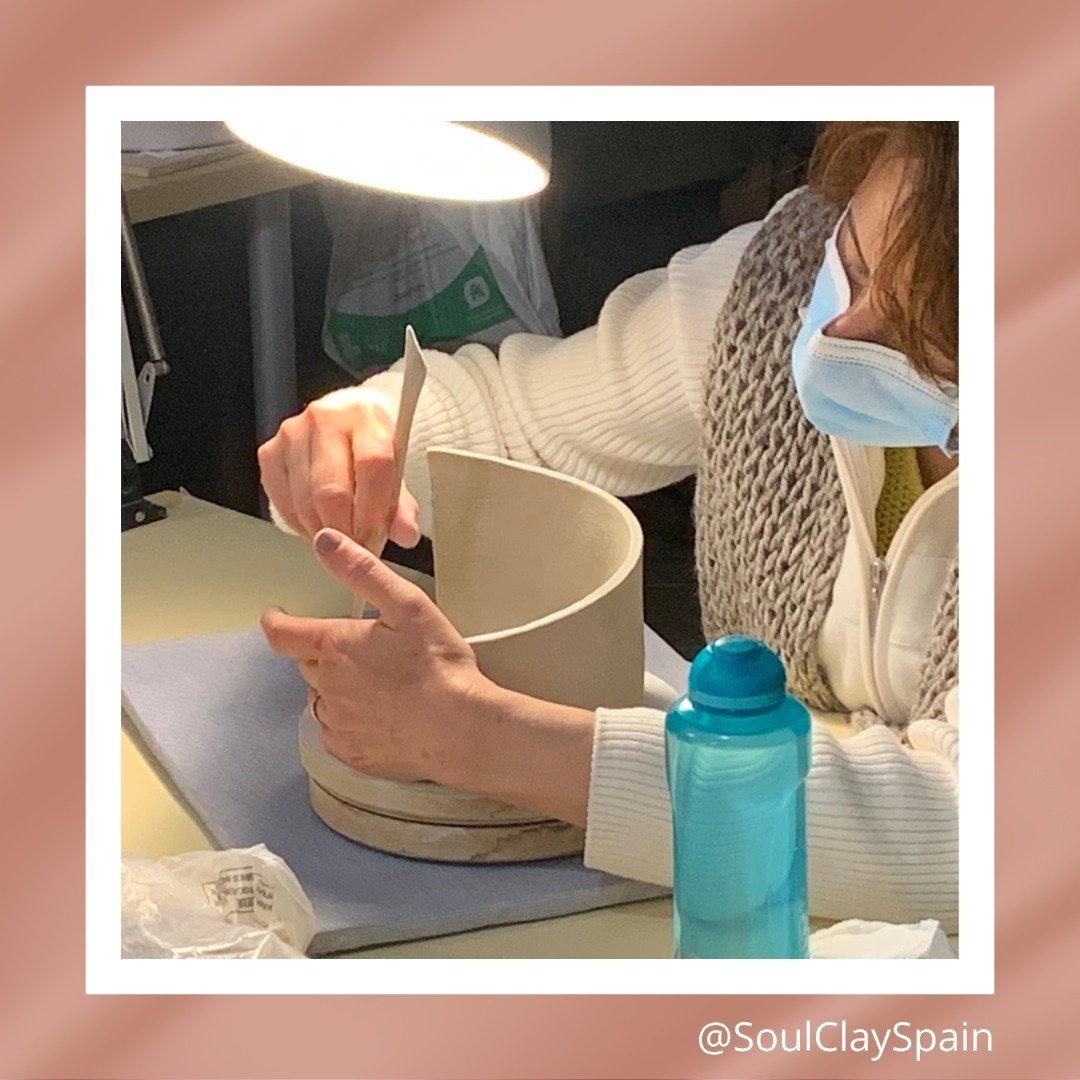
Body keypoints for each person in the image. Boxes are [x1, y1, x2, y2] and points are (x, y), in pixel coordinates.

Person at [259, 122, 961, 932]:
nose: (842, 330)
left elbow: (969, 836)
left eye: (924, 341)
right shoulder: (781, 281)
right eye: (861, 264)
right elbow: (514, 421)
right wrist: (362, 433)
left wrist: (479, 739)